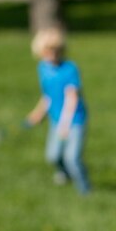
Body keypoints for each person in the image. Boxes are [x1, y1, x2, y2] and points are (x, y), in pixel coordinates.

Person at [24, 27, 91, 194]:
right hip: (56, 119)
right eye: (47, 50)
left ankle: (85, 190)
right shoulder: (43, 68)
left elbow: (72, 98)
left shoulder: (69, 69)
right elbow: (48, 95)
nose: (51, 54)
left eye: (55, 50)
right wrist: (38, 113)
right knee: (52, 156)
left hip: (74, 120)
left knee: (72, 158)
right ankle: (64, 174)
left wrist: (65, 123)